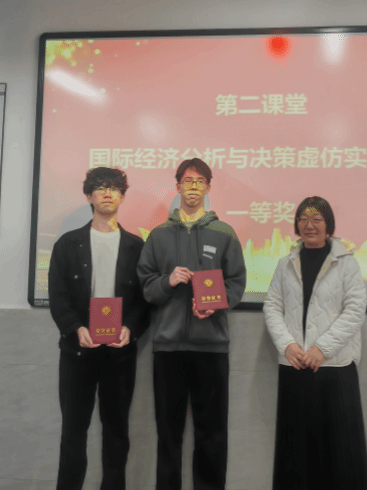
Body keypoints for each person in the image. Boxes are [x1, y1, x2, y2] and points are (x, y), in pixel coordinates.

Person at [137, 157, 246, 490]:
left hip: (211, 347)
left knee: (212, 434)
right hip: (168, 348)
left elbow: (236, 283)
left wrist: (214, 306)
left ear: (208, 188)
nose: (193, 186)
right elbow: (146, 286)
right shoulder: (158, 236)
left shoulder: (224, 234)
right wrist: (167, 281)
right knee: (168, 435)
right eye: (187, 180)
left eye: (200, 181)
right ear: (178, 186)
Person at [48, 167, 149, 490]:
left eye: (115, 188)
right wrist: (75, 328)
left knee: (117, 433)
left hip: (119, 355)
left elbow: (144, 301)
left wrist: (130, 328)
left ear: (122, 196)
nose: (108, 193)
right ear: (89, 195)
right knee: (73, 432)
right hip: (78, 352)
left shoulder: (137, 246)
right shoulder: (68, 244)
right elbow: (58, 296)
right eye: (101, 187)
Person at [263, 196, 367, 490]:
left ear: (328, 225)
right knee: (295, 449)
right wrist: (287, 345)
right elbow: (272, 307)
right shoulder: (285, 264)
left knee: (341, 449)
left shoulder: (347, 264)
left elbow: (355, 311)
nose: (309, 225)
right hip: (295, 364)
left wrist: (322, 348)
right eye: (303, 219)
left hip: (335, 367)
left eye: (317, 219)